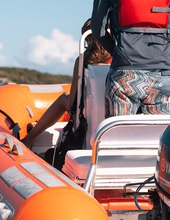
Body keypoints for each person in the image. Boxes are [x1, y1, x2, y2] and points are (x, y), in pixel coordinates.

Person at [22, 19, 111, 150]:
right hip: (114, 119)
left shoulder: (82, 60)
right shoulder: (119, 58)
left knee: (65, 97)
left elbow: (72, 104)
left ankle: (28, 139)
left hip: (87, 119)